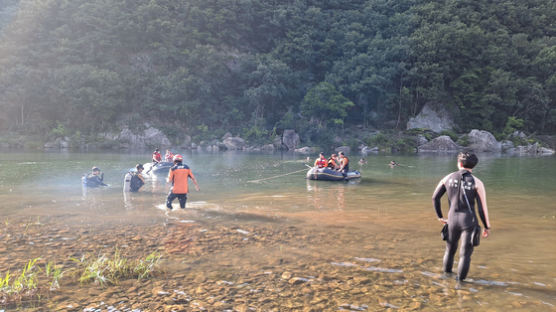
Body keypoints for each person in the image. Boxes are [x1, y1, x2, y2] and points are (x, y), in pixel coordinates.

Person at [432, 152, 491, 282]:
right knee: (465, 255)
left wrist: (440, 217)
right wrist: (487, 226)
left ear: (459, 163)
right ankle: (460, 285)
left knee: (449, 250)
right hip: (469, 222)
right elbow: (482, 208)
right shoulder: (477, 182)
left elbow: (435, 198)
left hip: (452, 220)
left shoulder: (447, 178)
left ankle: (446, 278)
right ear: (473, 166)